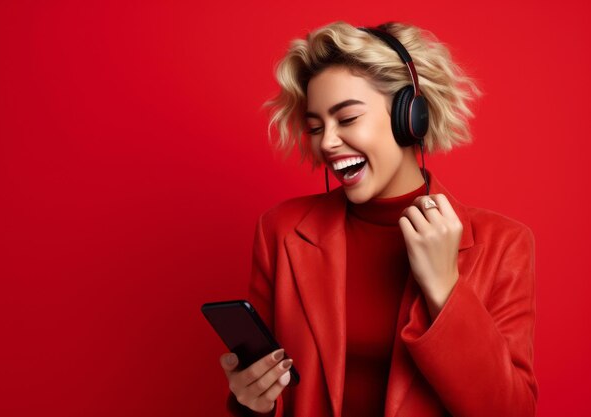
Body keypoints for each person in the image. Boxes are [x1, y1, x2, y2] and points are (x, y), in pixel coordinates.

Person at [218, 21, 537, 417]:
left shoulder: (504, 244)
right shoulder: (280, 232)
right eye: (316, 127)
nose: (327, 142)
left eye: (347, 119)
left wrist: (445, 288)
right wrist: (252, 401)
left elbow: (510, 411)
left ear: (410, 117)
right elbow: (270, 393)